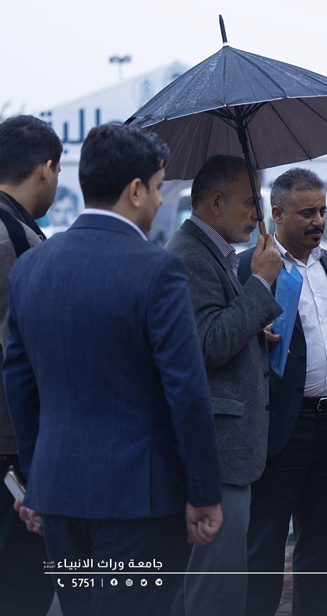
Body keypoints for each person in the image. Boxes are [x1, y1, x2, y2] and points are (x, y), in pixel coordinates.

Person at [3, 124, 223, 616]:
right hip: (139, 501)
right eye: (160, 187)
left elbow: (18, 382)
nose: (161, 201)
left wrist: (36, 478)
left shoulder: (32, 266)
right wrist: (204, 491)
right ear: (136, 189)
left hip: (58, 495)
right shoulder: (157, 269)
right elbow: (186, 390)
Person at [242, 168, 327, 616]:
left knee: (322, 545)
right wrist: (252, 332)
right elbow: (223, 341)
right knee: (263, 546)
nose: (318, 221)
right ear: (276, 214)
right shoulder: (248, 267)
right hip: (278, 431)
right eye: (306, 213)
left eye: (322, 211)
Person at [166, 155, 283, 616]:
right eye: (250, 202)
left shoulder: (211, 252)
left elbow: (213, 328)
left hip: (227, 451)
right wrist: (261, 283)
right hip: (218, 450)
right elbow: (210, 343)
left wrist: (253, 330)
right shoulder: (190, 255)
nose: (258, 213)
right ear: (216, 203)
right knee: (214, 588)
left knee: (219, 580)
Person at [0, 114, 60, 616]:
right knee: (22, 588)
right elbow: (26, 358)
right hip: (12, 449)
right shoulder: (17, 242)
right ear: (46, 169)